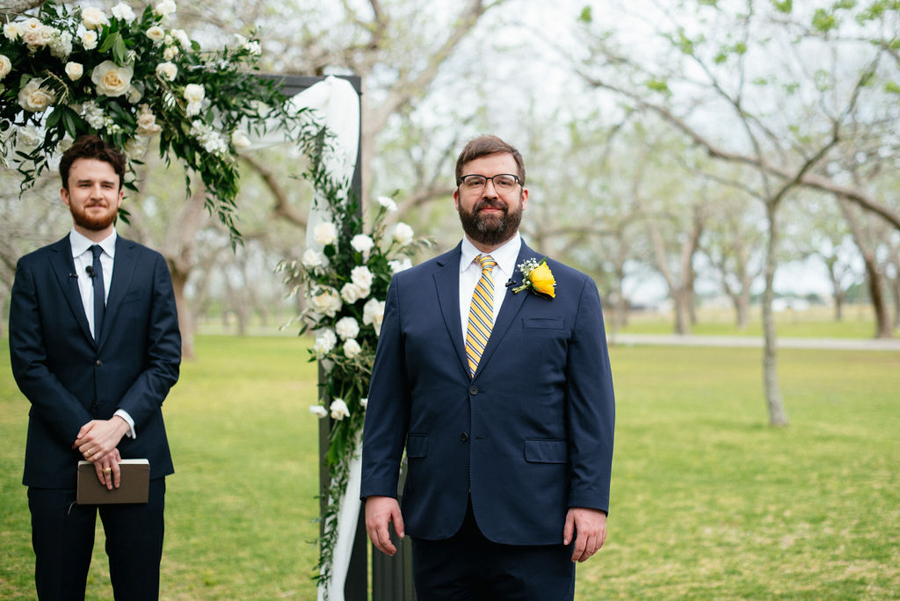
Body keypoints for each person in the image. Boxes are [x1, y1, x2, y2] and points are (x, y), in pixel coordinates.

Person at [361, 134, 616, 599]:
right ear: (458, 197)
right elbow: (387, 401)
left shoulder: (574, 291)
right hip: (439, 517)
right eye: (475, 182)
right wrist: (378, 489)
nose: (490, 191)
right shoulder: (410, 289)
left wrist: (590, 500)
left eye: (504, 180)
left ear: (523, 194)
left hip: (537, 519)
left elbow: (593, 409)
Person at [8, 135, 181, 601]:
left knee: (138, 588)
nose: (97, 193)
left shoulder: (150, 268)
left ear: (121, 194)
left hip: (138, 454)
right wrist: (88, 432)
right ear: (65, 193)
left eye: (107, 184)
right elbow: (28, 365)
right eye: (84, 184)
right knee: (59, 588)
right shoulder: (33, 270)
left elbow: (165, 360)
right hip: (56, 461)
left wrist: (117, 427)